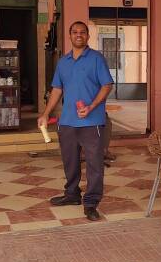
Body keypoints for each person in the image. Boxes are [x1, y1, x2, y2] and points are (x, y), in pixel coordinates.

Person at [38, 21, 113, 221]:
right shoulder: (63, 62)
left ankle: (91, 203)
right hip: (68, 121)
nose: (78, 35)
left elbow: (107, 85)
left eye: (82, 32)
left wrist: (92, 106)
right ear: (70, 36)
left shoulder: (97, 59)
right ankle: (72, 195)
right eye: (74, 32)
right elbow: (57, 89)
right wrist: (46, 113)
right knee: (69, 161)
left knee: (94, 164)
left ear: (88, 36)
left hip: (92, 121)